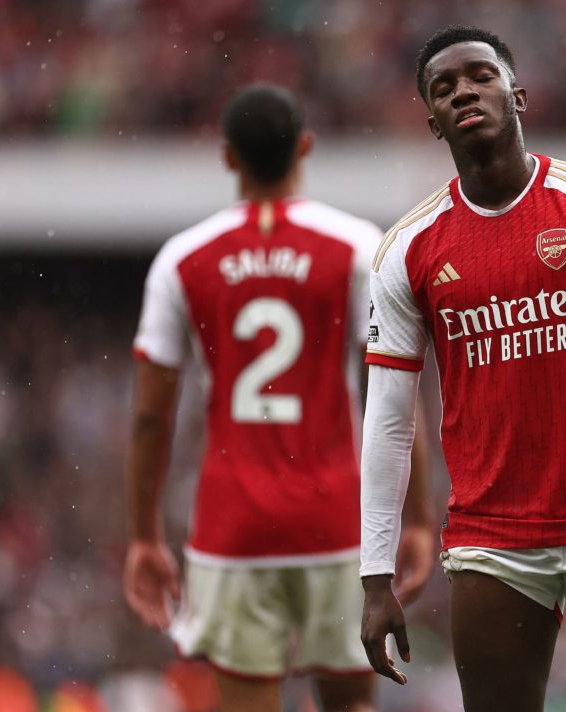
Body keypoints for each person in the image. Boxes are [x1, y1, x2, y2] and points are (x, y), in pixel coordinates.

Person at [359, 26, 566, 712]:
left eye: (479, 76)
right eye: (443, 88)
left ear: (518, 94)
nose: (463, 92)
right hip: (492, 539)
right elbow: (389, 421)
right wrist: (374, 577)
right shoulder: (407, 250)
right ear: (432, 121)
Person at [124, 83, 436, 712]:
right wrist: (420, 517)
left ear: (228, 158)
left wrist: (144, 536)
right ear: (305, 148)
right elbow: (393, 392)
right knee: (350, 702)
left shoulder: (181, 260)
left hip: (233, 526)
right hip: (338, 522)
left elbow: (150, 418)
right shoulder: (355, 248)